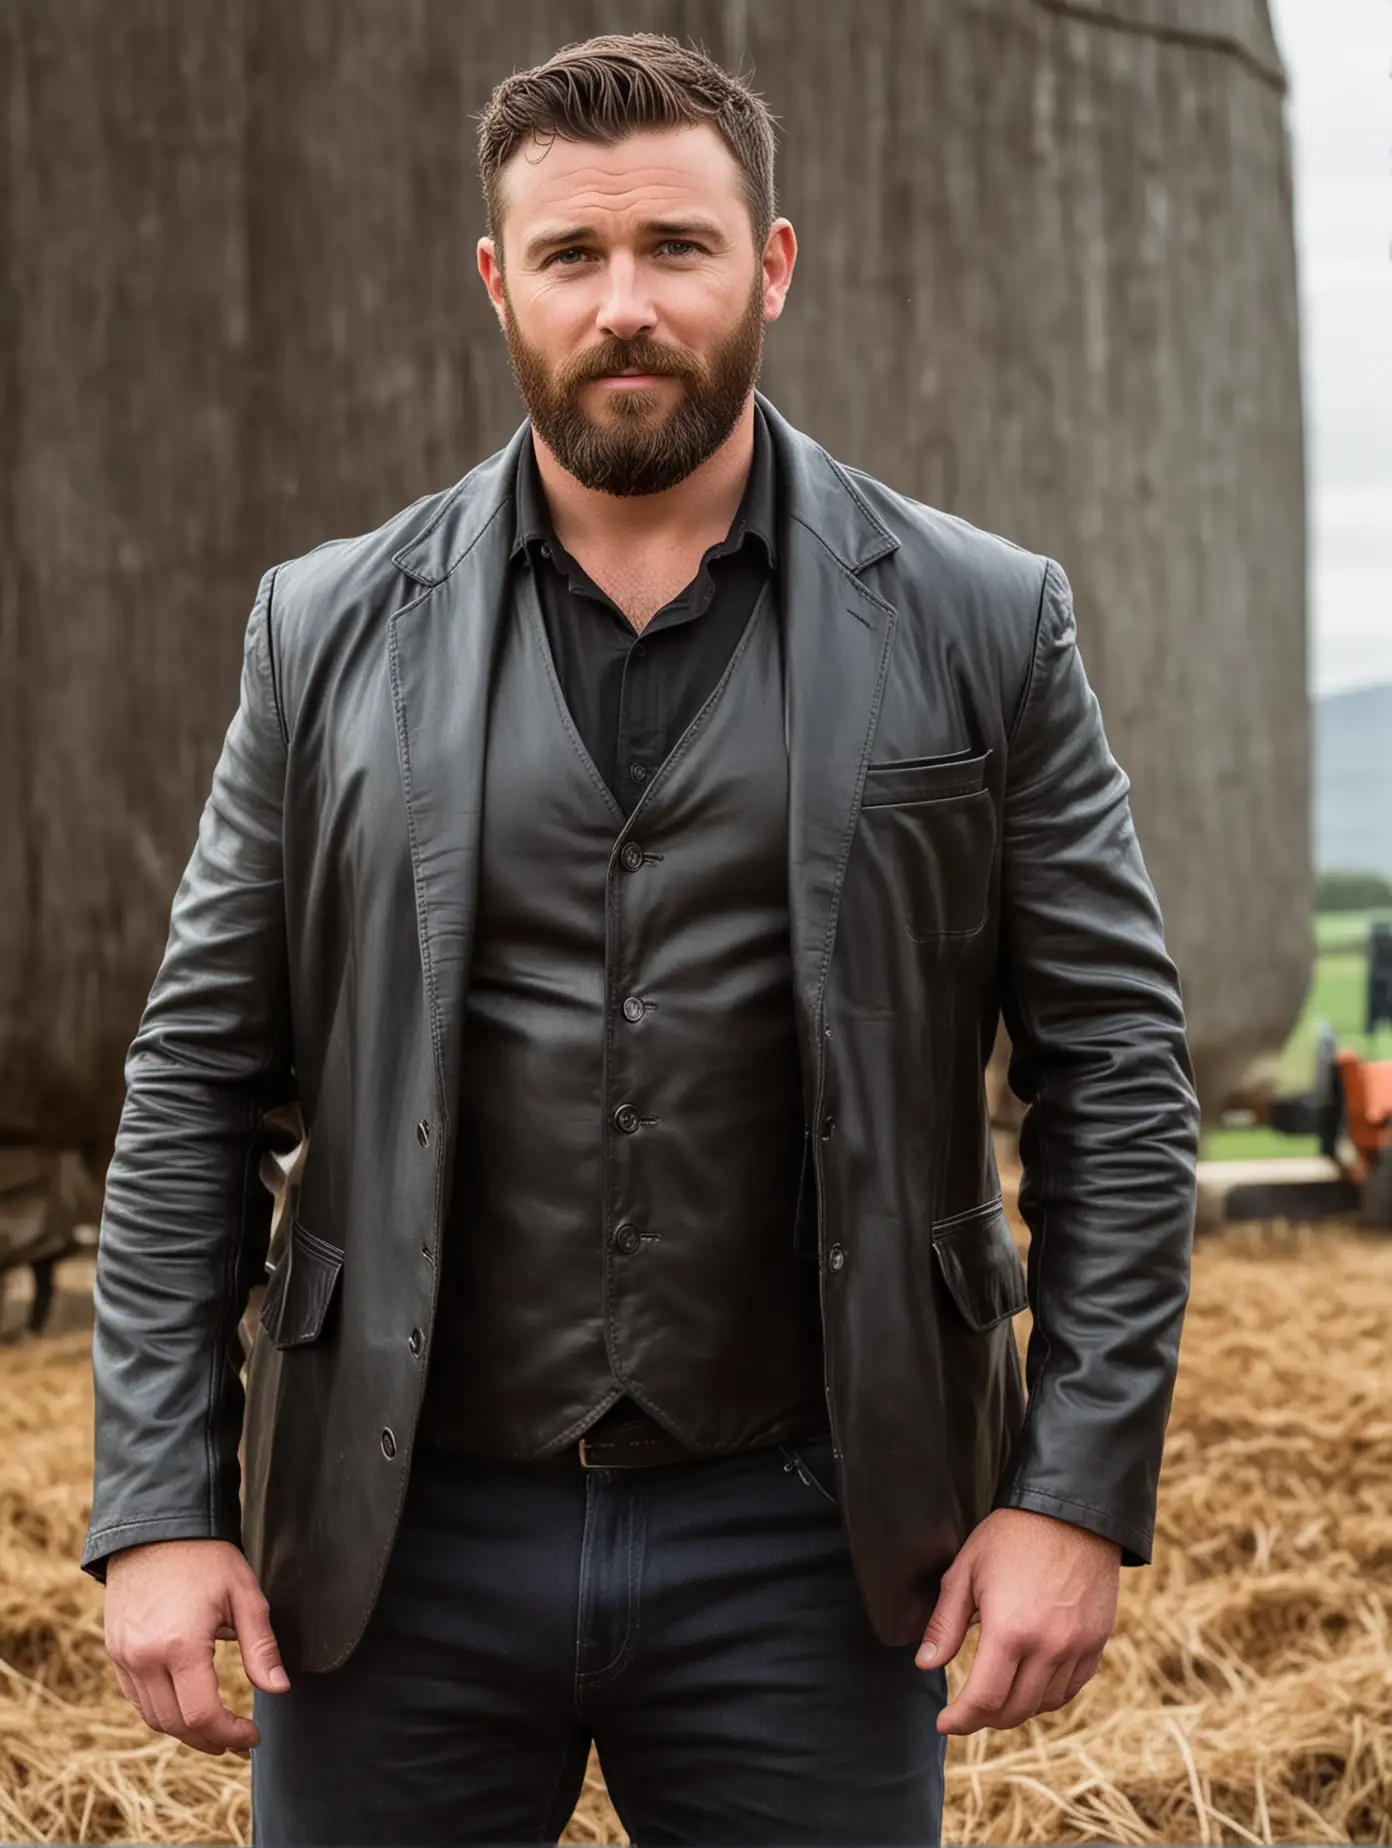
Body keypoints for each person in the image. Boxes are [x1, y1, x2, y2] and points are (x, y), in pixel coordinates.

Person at [82, 31, 1200, 1847]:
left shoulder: (986, 621)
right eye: (571, 258)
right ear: (495, 283)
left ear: (770, 263)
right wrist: (158, 1502)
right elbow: (195, 1084)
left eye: (676, 248)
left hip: (818, 1543)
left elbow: (1119, 1080)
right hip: (397, 1545)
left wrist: (1075, 1491)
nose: (625, 305)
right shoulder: (322, 632)